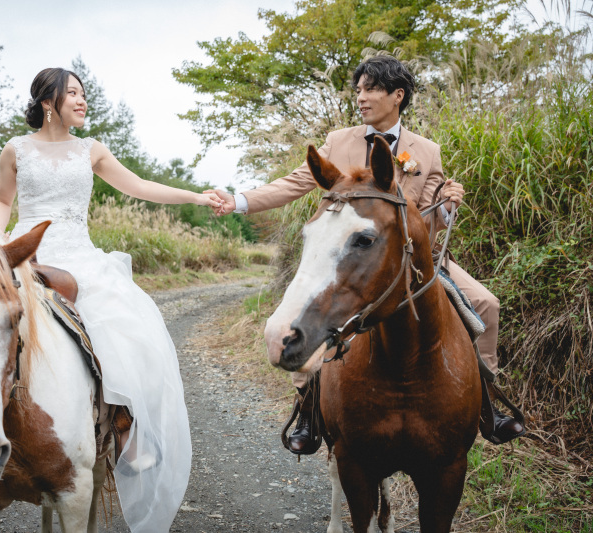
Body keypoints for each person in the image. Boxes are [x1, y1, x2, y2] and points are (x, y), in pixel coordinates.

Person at [0, 67, 223, 533]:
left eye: (83, 93)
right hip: (24, 248)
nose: (82, 100)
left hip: (79, 255)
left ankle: (126, 429)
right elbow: (1, 202)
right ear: (48, 101)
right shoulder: (15, 149)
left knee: (128, 328)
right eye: (73, 93)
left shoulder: (90, 150)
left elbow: (138, 186)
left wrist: (196, 197)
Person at [207, 55, 525, 454]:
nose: (361, 97)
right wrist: (238, 201)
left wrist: (444, 206)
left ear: (397, 95)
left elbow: (427, 224)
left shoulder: (426, 152)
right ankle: (307, 408)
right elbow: (294, 182)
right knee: (306, 309)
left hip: (409, 261)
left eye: (371, 89)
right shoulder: (339, 142)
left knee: (486, 303)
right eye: (358, 89)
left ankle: (487, 404)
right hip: (344, 259)